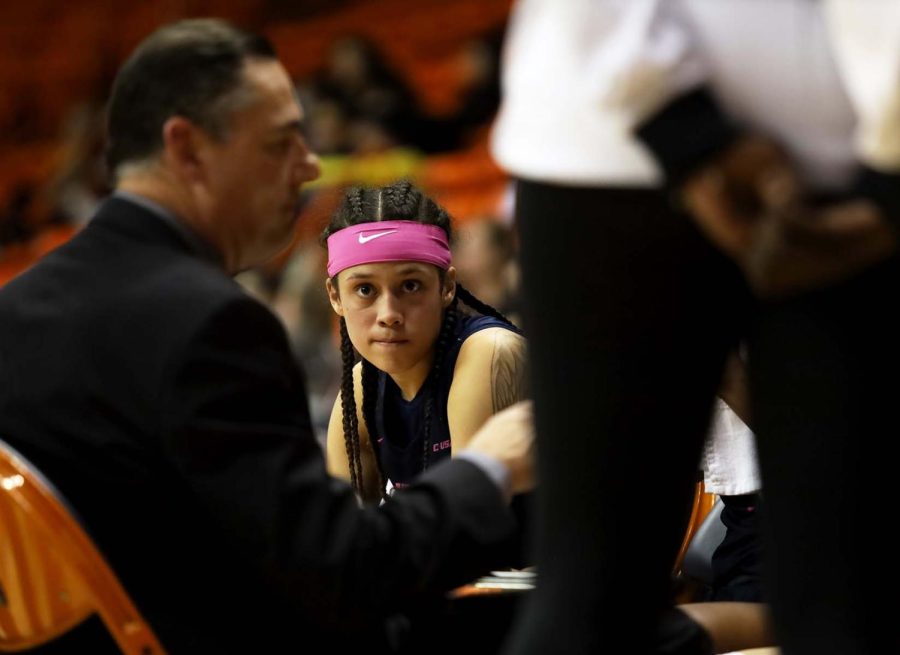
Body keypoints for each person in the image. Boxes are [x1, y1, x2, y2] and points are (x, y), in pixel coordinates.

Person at [0, 19, 536, 654]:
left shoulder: (15, 309)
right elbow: (348, 575)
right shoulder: (205, 321)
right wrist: (490, 468)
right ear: (189, 149)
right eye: (283, 142)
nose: (310, 165)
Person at [490, 1, 899, 653]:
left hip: (603, 136)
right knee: (848, 597)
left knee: (594, 593)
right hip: (839, 139)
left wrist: (664, 108)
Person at [322, 180, 527, 503]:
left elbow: (465, 532)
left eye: (411, 286)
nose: (389, 313)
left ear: (447, 286)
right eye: (365, 290)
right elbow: (339, 541)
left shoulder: (488, 351)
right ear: (335, 297)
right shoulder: (363, 388)